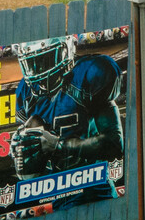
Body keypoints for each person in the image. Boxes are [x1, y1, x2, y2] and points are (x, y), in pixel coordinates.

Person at [8, 36, 123, 190]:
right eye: (33, 63)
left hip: (93, 188)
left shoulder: (88, 74)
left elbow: (114, 144)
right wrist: (20, 149)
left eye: (45, 59)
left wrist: (59, 145)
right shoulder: (26, 92)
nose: (39, 70)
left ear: (65, 51)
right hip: (53, 192)